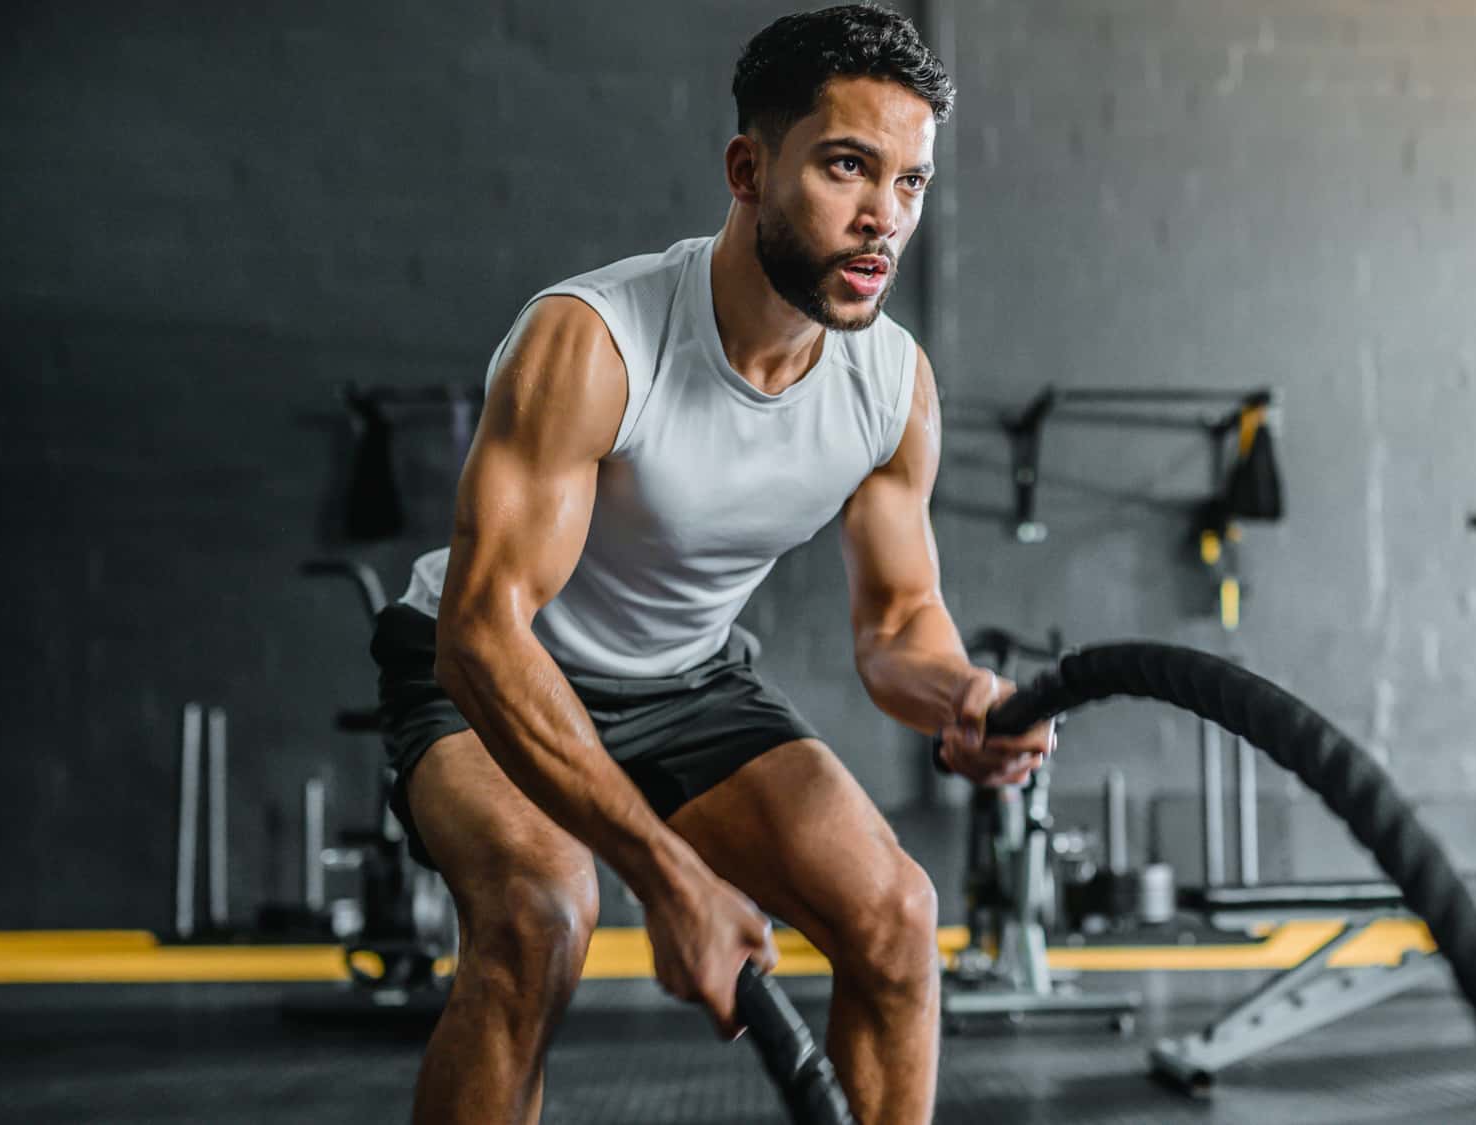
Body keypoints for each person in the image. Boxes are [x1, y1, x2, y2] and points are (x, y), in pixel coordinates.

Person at [369, 6, 1052, 1123]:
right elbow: (482, 634)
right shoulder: (594, 340)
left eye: (911, 183)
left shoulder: (890, 386)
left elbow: (897, 627)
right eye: (846, 167)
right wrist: (672, 875)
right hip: (493, 674)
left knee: (897, 917)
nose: (883, 217)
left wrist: (964, 694)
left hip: (683, 683)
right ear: (748, 167)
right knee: (541, 916)